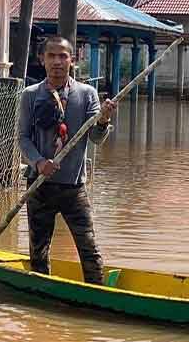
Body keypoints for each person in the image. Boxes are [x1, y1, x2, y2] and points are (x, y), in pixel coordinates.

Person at [17, 35, 117, 284]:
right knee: (38, 251)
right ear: (42, 60)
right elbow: (23, 138)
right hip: (39, 186)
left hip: (73, 187)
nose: (57, 62)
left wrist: (103, 120)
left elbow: (96, 138)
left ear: (72, 60)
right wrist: (39, 162)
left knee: (89, 248)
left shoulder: (87, 94)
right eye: (51, 56)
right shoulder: (31, 95)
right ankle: (42, 293)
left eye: (63, 56)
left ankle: (97, 294)